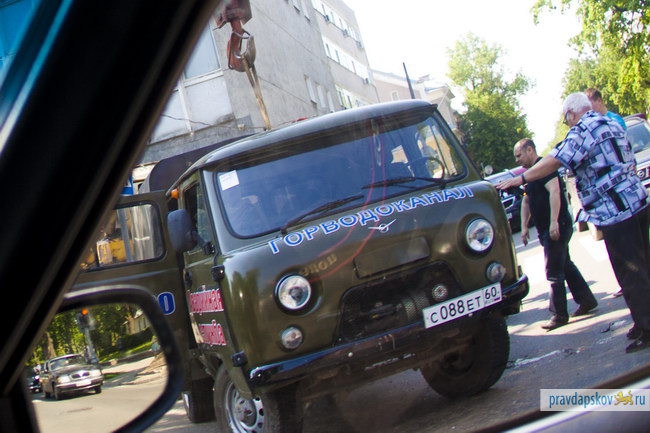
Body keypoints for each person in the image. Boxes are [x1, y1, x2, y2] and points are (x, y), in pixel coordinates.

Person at [498, 92, 650, 353]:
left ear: (571, 113)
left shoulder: (583, 129)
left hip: (616, 211)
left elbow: (555, 160)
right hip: (637, 201)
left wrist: (521, 178)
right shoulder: (610, 122)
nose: (567, 123)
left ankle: (647, 328)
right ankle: (641, 321)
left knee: (631, 273)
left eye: (566, 118)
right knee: (643, 266)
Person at [513, 138, 598, 330]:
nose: (517, 160)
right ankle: (586, 300)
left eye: (519, 155)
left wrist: (554, 222)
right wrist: (524, 226)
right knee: (565, 265)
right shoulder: (530, 174)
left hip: (557, 225)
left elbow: (555, 192)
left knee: (553, 271)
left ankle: (559, 315)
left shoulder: (545, 167)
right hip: (546, 228)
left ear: (530, 150)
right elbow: (527, 201)